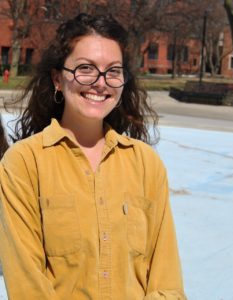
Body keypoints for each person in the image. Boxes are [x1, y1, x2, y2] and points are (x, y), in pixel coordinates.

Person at [0, 13, 186, 300]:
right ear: (57, 79)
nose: (101, 82)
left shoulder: (146, 164)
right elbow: (28, 287)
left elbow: (167, 282)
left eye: (113, 71)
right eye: (85, 68)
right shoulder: (24, 164)